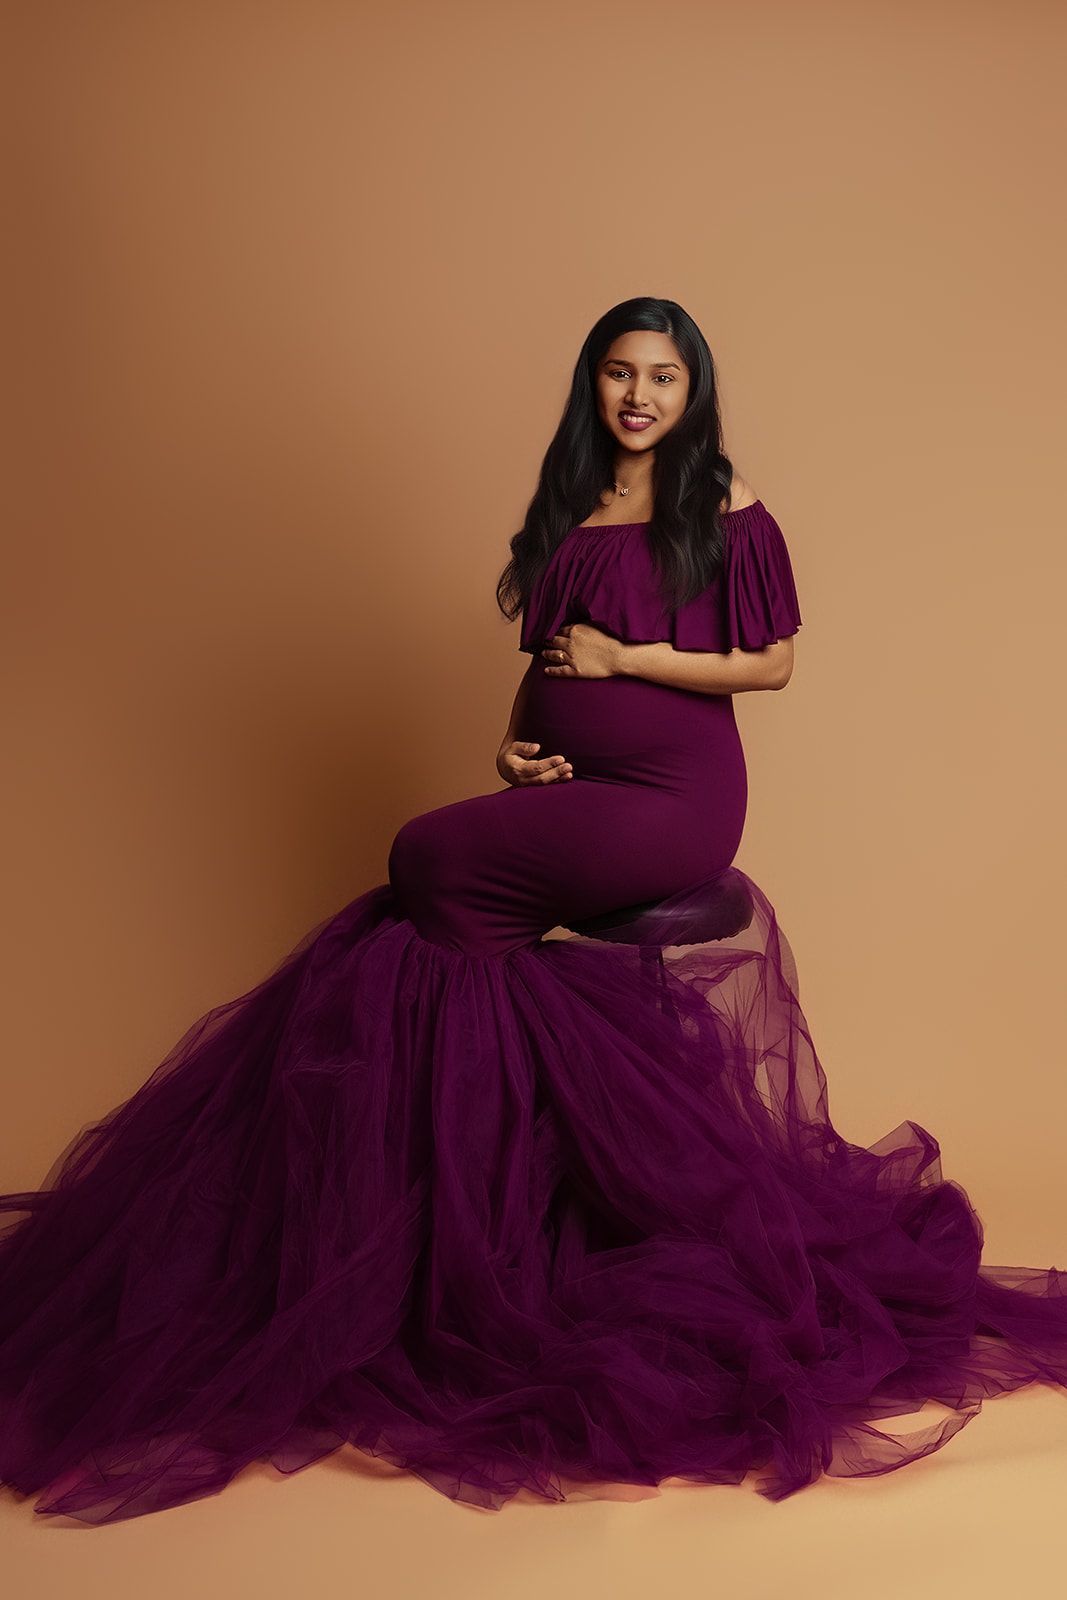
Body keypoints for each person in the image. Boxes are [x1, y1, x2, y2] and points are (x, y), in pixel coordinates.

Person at [2, 297, 1066, 1527]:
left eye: (661, 378)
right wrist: (521, 755)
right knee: (430, 902)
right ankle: (505, 1197)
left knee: (424, 866)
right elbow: (542, 665)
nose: (637, 397)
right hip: (584, 785)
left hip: (674, 798)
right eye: (618, 375)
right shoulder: (570, 507)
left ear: (692, 392)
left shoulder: (722, 506)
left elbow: (768, 660)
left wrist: (628, 665)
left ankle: (443, 1204)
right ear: (592, 386)